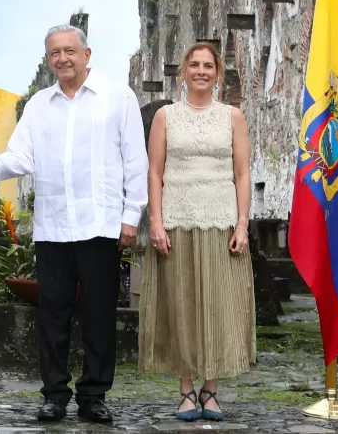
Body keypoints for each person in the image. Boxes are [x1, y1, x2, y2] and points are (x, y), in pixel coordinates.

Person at [0, 24, 148, 424]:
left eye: (69, 51)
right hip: (54, 226)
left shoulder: (118, 97)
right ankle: (55, 394)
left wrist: (131, 217)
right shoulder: (38, 105)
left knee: (99, 314)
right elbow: (21, 158)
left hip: (100, 225)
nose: (62, 59)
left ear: (86, 54)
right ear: (48, 60)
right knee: (53, 315)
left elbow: (135, 161)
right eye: (54, 54)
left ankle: (94, 395)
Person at [138, 42, 256, 422]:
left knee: (219, 305)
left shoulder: (233, 117)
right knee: (182, 303)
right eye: (194, 64)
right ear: (184, 72)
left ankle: (212, 389)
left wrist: (242, 223)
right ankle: (186, 389)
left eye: (208, 65)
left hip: (222, 223)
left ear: (218, 72)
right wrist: (155, 222)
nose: (201, 71)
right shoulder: (166, 117)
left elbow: (242, 174)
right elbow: (155, 172)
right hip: (176, 221)